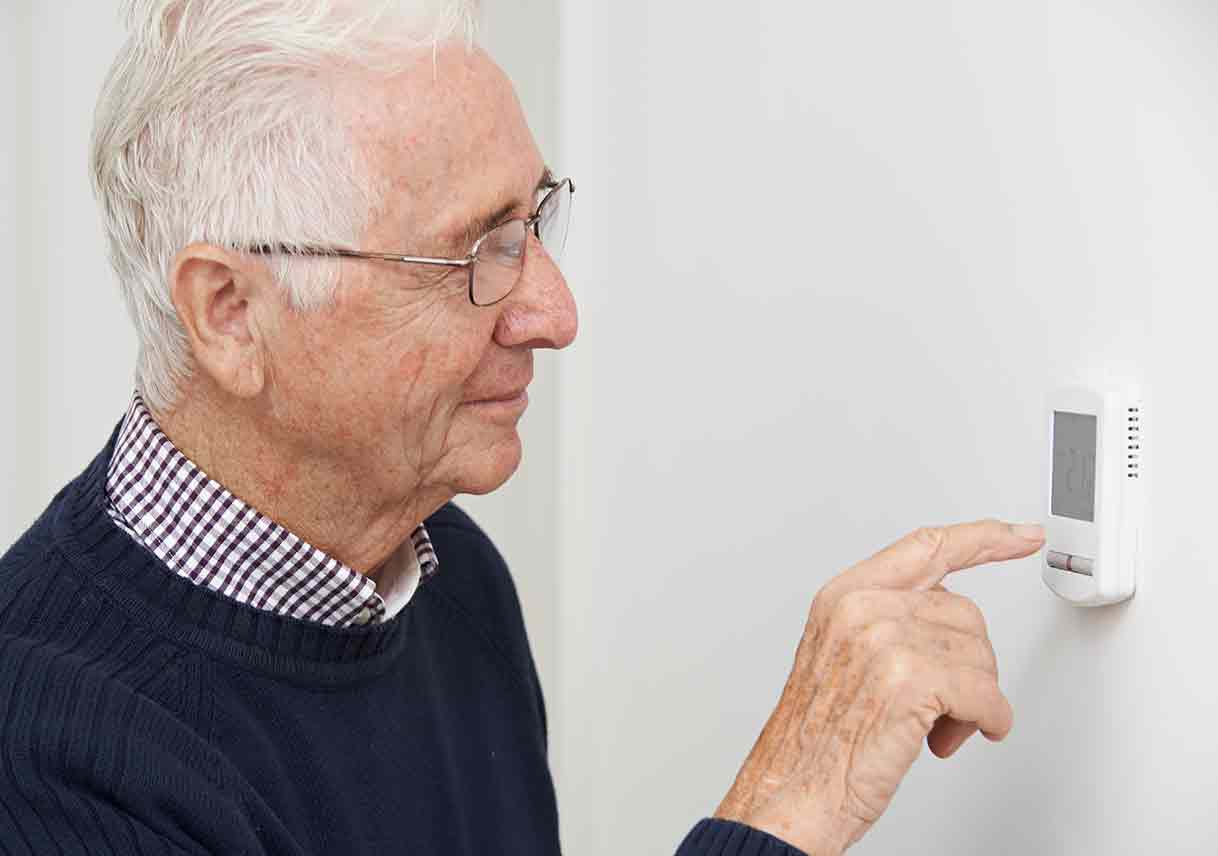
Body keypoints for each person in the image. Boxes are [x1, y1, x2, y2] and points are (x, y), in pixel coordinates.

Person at [0, 2, 1045, 854]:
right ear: (231, 311)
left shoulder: (452, 580)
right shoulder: (50, 760)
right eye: (475, 252)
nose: (553, 312)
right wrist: (787, 806)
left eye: (532, 221)